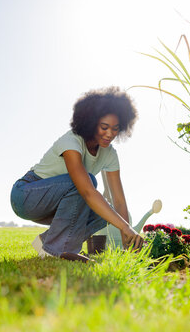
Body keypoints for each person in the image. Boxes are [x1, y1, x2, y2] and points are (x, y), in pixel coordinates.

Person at [10, 86, 143, 262]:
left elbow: (119, 202)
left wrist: (129, 238)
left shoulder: (110, 154)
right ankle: (58, 251)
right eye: (104, 127)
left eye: (115, 128)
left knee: (106, 211)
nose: (110, 134)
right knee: (89, 183)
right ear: (91, 122)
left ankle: (48, 242)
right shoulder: (71, 141)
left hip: (59, 204)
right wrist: (125, 227)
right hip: (26, 195)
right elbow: (87, 191)